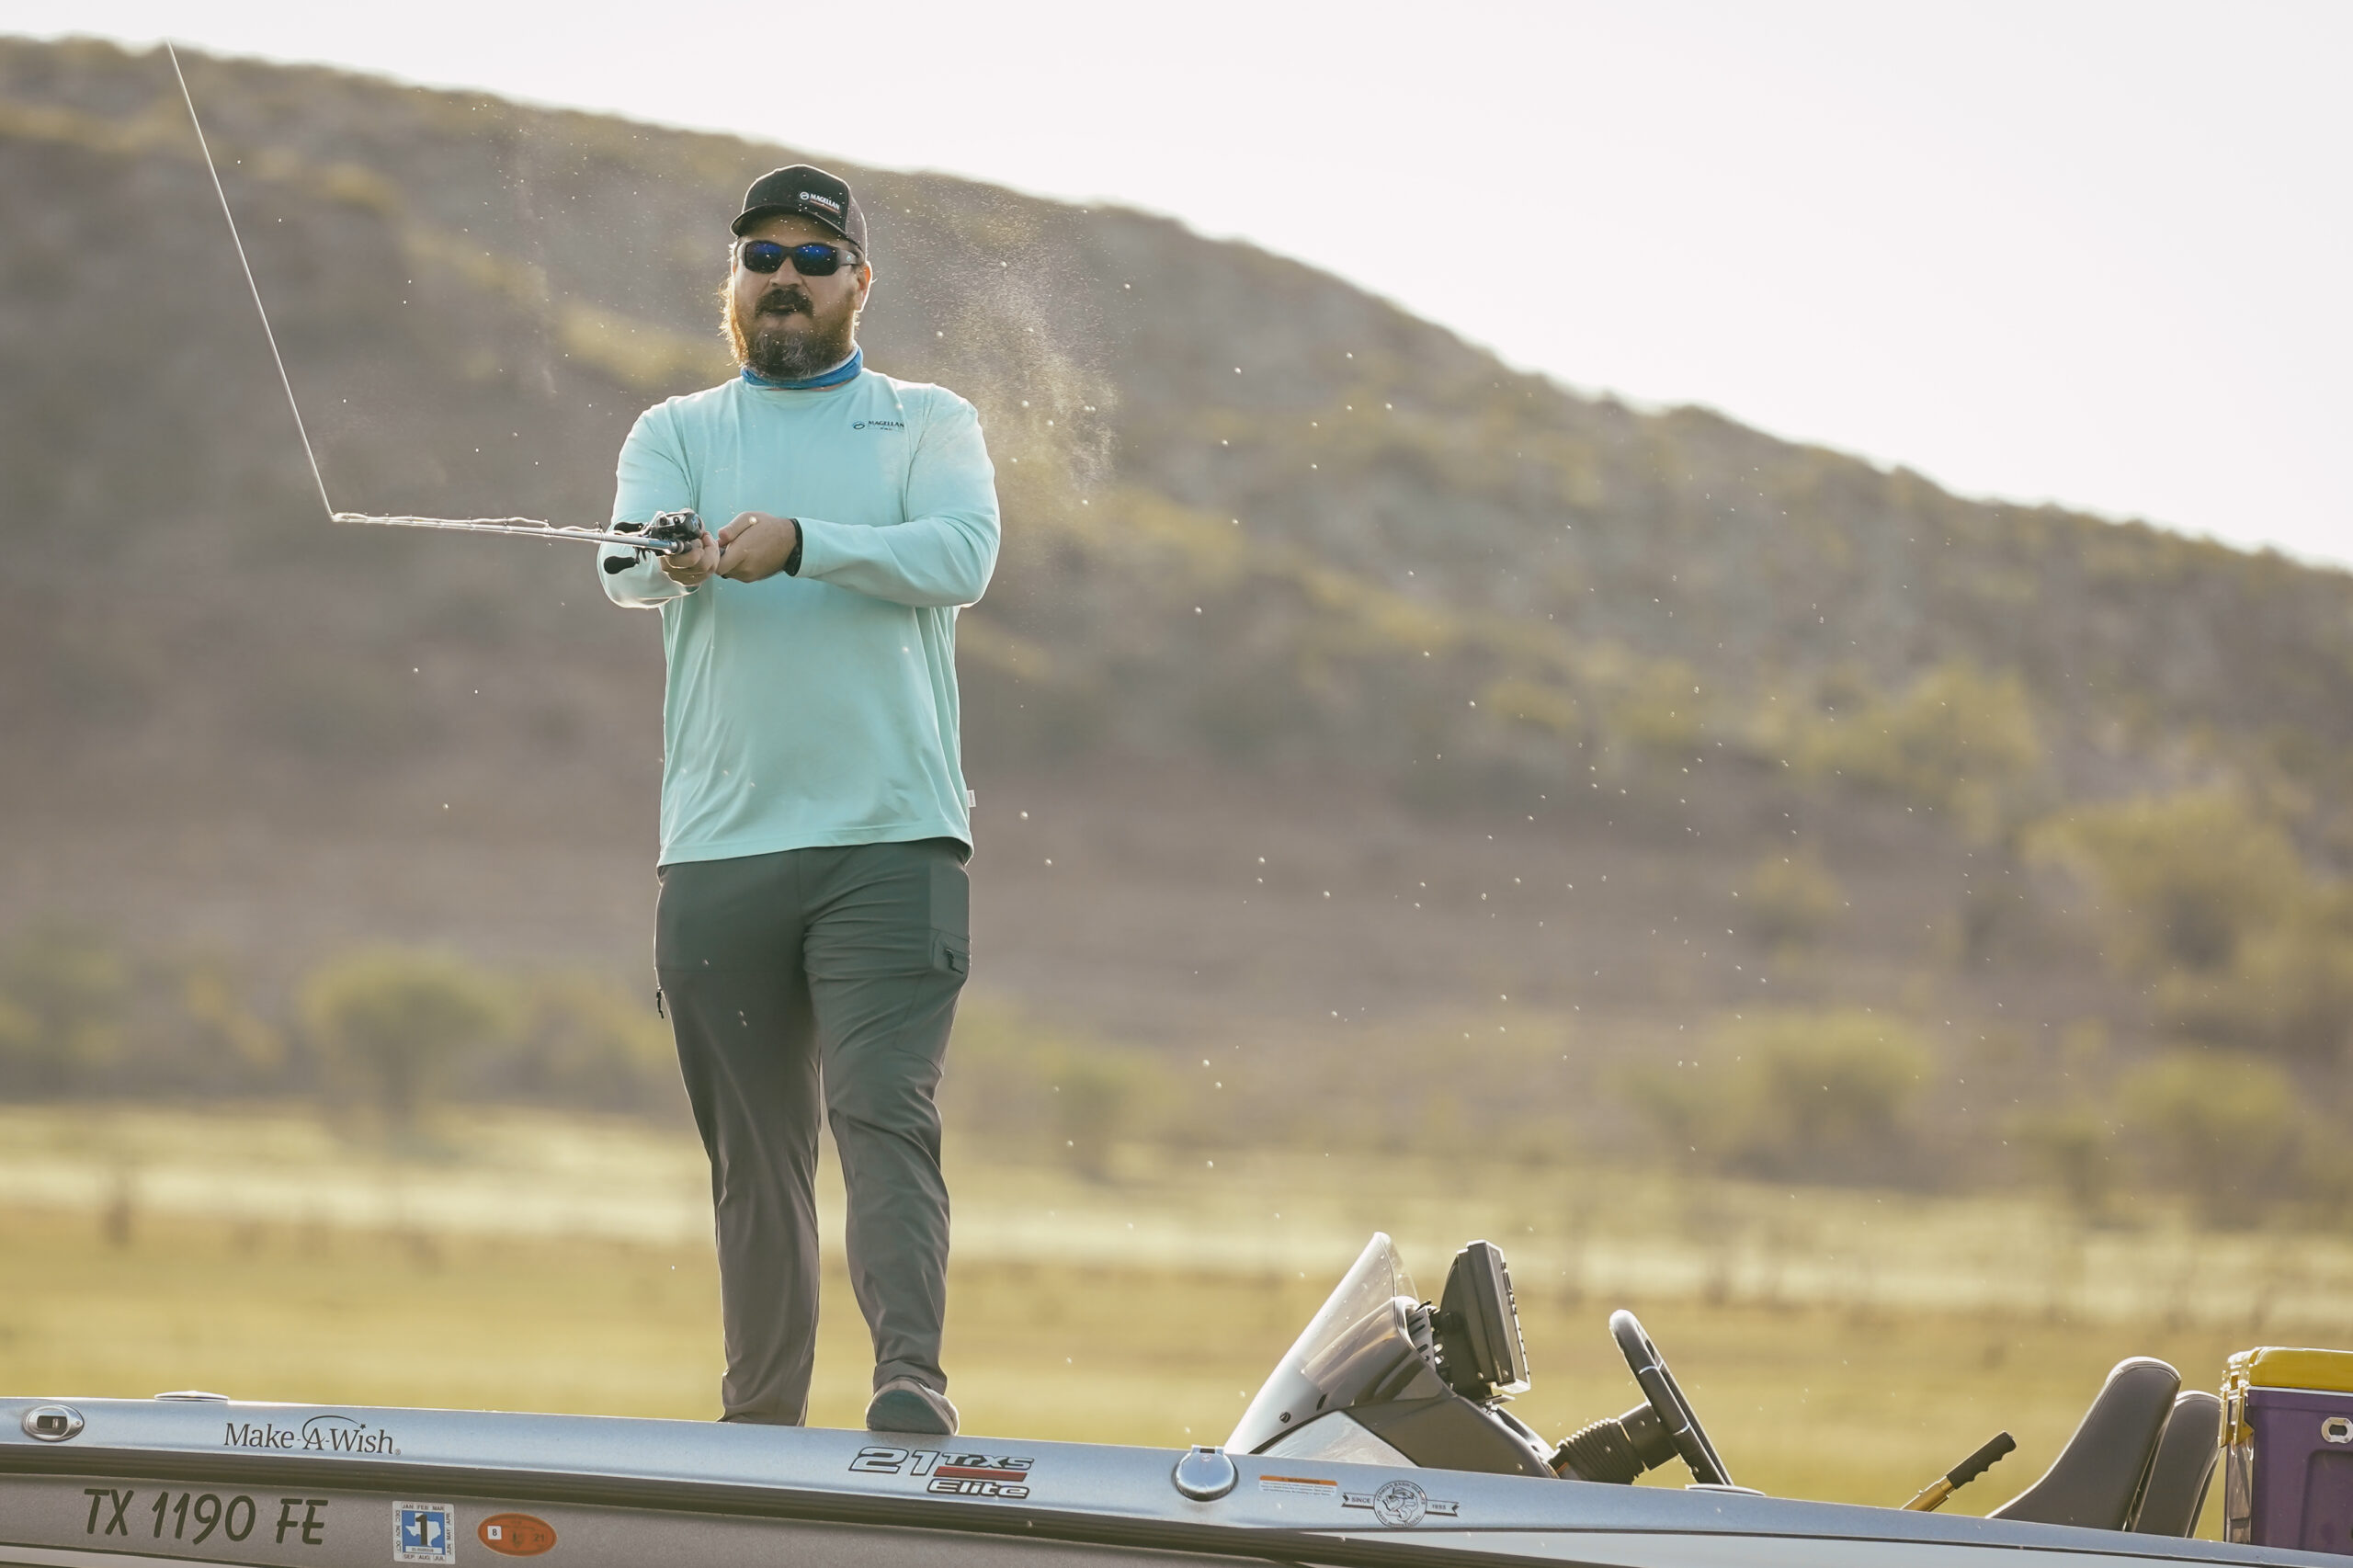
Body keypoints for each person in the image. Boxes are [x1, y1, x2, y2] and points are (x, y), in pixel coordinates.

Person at [597, 165, 998, 1435]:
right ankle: (761, 1426)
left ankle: (908, 1388)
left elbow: (962, 557)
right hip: (719, 853)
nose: (784, 277)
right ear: (735, 280)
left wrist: (805, 543)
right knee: (755, 1164)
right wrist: (672, 554)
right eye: (760, 256)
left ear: (857, 284)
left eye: (813, 260)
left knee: (885, 1109)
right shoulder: (674, 433)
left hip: (894, 841)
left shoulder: (928, 420)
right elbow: (623, 571)